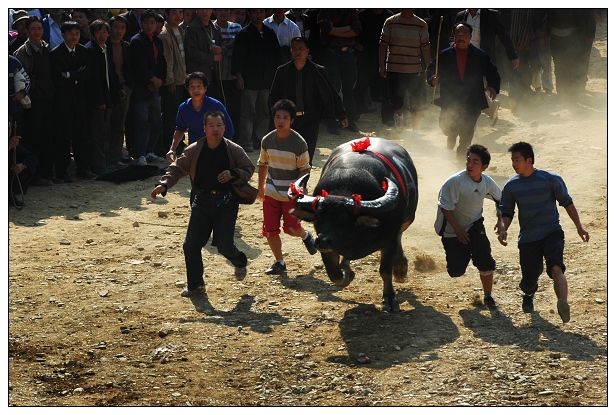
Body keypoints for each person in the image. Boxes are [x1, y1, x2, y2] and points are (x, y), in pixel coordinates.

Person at [151, 110, 257, 297]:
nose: (215, 129)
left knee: (224, 246)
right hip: (201, 202)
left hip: (226, 202)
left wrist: (233, 174)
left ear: (224, 127)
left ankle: (240, 261)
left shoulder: (233, 149)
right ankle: (196, 285)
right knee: (190, 245)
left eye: (219, 125)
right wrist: (164, 184)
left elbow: (248, 169)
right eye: (211, 126)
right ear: (204, 128)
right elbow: (177, 168)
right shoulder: (194, 149)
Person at [498, 142, 590, 323]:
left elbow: (567, 202)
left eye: (517, 160)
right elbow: (506, 211)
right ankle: (529, 292)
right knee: (530, 276)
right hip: (528, 238)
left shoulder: (550, 179)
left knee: (556, 267)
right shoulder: (511, 186)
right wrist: (503, 229)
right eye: (512, 160)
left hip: (552, 232)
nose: (514, 164)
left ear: (529, 160)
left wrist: (579, 227)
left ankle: (562, 302)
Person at [434, 144, 503, 310]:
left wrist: (500, 220)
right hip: (451, 230)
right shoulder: (455, 182)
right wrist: (458, 229)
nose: (469, 165)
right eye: (468, 160)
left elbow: (501, 200)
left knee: (484, 257)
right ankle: (460, 260)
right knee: (456, 271)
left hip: (474, 224)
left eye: (475, 162)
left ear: (484, 167)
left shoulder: (487, 182)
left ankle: (488, 296)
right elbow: (445, 207)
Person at [257, 99, 317, 275]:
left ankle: (306, 236)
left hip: (291, 194)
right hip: (272, 192)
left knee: (292, 229)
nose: (280, 121)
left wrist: (298, 190)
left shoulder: (299, 143)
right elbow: (262, 164)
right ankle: (279, 262)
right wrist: (260, 188)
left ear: (292, 120)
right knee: (270, 229)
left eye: (285, 118)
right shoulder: (267, 140)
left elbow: (304, 169)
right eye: (277, 117)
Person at [268, 36, 348, 165]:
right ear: (290, 51)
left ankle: (302, 184)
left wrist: (341, 114)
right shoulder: (282, 71)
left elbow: (331, 93)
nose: (298, 52)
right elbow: (274, 96)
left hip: (310, 119)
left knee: (306, 155)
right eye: (294, 49)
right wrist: (276, 117)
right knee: (289, 154)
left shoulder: (318, 70)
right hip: (289, 120)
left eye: (301, 49)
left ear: (307, 51)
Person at [426, 23, 500, 160]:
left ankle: (461, 157)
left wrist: (493, 86)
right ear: (454, 37)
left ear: (470, 37)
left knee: (467, 132)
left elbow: (492, 72)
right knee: (446, 126)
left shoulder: (479, 55)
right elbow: (431, 69)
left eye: (464, 35)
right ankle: (451, 134)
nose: (461, 38)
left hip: (472, 100)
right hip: (450, 99)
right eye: (458, 35)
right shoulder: (444, 55)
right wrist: (432, 78)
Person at [231, 9, 282, 152]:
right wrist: (238, 76)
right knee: (248, 112)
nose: (258, 15)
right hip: (249, 81)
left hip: (266, 81)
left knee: (264, 112)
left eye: (261, 12)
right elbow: (238, 57)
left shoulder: (270, 33)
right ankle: (246, 141)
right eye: (255, 12)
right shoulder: (244, 34)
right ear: (250, 14)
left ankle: (261, 140)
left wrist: (277, 77)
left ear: (265, 14)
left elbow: (277, 57)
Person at [50, 20, 94, 181]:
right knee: (63, 137)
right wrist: (77, 75)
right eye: (71, 34)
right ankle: (62, 172)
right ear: (63, 35)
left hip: (80, 101)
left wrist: (69, 74)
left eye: (77, 33)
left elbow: (87, 74)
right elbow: (57, 79)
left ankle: (83, 170)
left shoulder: (83, 51)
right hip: (63, 102)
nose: (74, 37)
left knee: (81, 136)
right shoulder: (55, 53)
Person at [379, 9, 431, 131]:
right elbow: (383, 44)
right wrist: (381, 64)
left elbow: (426, 47)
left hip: (414, 69)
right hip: (394, 68)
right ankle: (400, 118)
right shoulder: (390, 22)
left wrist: (429, 67)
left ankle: (415, 131)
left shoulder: (421, 24)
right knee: (395, 100)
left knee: (416, 102)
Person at [166, 72, 234, 162]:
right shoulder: (184, 107)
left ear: (205, 88)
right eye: (192, 87)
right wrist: (172, 149)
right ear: (188, 89)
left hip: (216, 150)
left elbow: (228, 129)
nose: (196, 90)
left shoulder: (216, 105)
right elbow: (180, 129)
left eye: (199, 86)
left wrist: (225, 150)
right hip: (195, 151)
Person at [129, 9, 167, 166]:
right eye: (146, 22)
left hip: (155, 88)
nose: (150, 25)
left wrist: (159, 81)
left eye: (153, 23)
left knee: (156, 121)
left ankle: (150, 151)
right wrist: (152, 79)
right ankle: (139, 154)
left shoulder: (157, 41)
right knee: (141, 123)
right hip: (141, 89)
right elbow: (139, 66)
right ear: (141, 23)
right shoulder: (136, 40)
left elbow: (162, 65)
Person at [85, 19, 123, 176]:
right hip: (97, 100)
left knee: (107, 130)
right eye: (99, 32)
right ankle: (99, 165)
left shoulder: (105, 48)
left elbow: (111, 71)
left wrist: (118, 89)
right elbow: (93, 79)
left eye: (105, 32)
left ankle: (106, 162)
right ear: (93, 34)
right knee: (98, 133)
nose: (102, 35)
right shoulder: (90, 50)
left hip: (108, 97)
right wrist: (99, 100)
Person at [317, 8, 362, 134]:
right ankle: (332, 121)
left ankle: (350, 119)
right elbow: (326, 29)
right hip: (332, 52)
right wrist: (348, 28)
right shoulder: (326, 9)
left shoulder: (352, 9)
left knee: (349, 88)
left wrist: (335, 31)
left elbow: (357, 29)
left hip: (348, 52)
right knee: (332, 89)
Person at [355, 8, 394, 124]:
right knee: (361, 84)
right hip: (365, 54)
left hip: (383, 54)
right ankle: (356, 112)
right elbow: (355, 30)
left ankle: (387, 117)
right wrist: (356, 43)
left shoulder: (389, 16)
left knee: (386, 86)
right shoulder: (362, 15)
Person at [158, 9, 187, 156]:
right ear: (166, 15)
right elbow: (167, 61)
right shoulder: (165, 34)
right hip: (172, 81)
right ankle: (170, 145)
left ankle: (179, 142)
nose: (178, 16)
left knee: (179, 113)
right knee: (171, 115)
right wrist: (170, 81)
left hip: (181, 79)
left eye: (180, 12)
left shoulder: (180, 30)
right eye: (174, 12)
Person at [107, 15, 133, 167]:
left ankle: (115, 157)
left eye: (122, 28)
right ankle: (105, 158)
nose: (119, 31)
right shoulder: (105, 45)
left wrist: (128, 86)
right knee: (105, 126)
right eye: (116, 27)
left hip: (124, 88)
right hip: (108, 90)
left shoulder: (126, 46)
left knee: (119, 125)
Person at [213, 8, 242, 141]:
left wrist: (225, 48)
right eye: (220, 10)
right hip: (217, 76)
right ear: (215, 11)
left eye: (226, 10)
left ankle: (233, 138)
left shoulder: (236, 27)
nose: (223, 12)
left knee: (234, 108)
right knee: (218, 109)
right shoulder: (211, 27)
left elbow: (238, 45)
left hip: (233, 75)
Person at [184, 9, 224, 103]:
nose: (204, 12)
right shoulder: (192, 28)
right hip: (198, 75)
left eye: (207, 8)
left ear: (212, 11)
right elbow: (191, 52)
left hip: (214, 76)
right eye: (202, 8)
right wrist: (212, 58)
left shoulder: (214, 28)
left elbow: (221, 45)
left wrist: (220, 49)